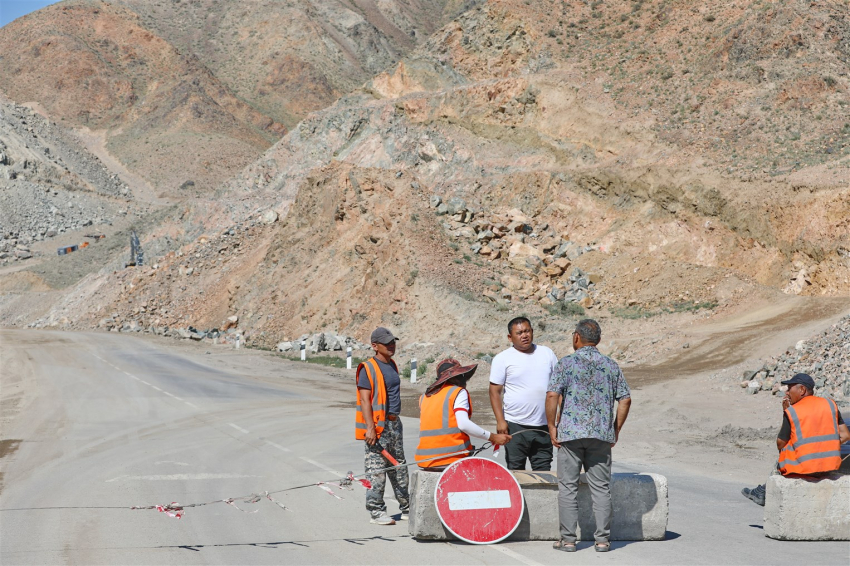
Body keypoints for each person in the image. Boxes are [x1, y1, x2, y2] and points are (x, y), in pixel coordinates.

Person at [546, 319, 631, 553]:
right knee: (601, 488)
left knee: (568, 488)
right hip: (600, 436)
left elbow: (552, 396)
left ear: (576, 337)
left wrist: (552, 427)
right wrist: (615, 429)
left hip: (570, 436)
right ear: (599, 340)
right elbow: (625, 399)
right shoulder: (610, 365)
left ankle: (569, 540)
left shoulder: (566, 364)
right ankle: (602, 540)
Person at [741, 373, 849, 506]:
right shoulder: (830, 404)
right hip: (829, 467)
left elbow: (780, 444)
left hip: (806, 468)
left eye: (789, 388)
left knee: (785, 451)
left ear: (802, 390)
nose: (786, 393)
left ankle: (764, 492)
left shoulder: (793, 412)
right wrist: (825, 447)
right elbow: (845, 435)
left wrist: (785, 413)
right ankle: (764, 491)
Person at [489, 317, 558, 471]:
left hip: (544, 425)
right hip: (515, 425)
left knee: (543, 469)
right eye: (519, 333)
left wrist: (560, 415)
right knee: (515, 469)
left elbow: (558, 386)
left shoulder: (547, 354)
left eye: (527, 331)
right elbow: (495, 391)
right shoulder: (502, 359)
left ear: (532, 331)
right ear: (510, 337)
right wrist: (501, 421)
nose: (524, 335)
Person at [416, 359, 512, 470]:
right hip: (451, 458)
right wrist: (493, 437)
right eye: (462, 376)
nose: (465, 380)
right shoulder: (457, 392)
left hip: (425, 460)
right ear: (455, 378)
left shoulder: (424, 397)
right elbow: (464, 424)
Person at [356, 327, 409, 525]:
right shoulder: (367, 368)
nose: (391, 346)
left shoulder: (392, 365)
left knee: (399, 468)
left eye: (393, 342)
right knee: (376, 470)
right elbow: (364, 400)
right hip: (378, 426)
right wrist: (369, 427)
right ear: (375, 346)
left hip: (395, 424)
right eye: (387, 343)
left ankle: (406, 508)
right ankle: (376, 512)